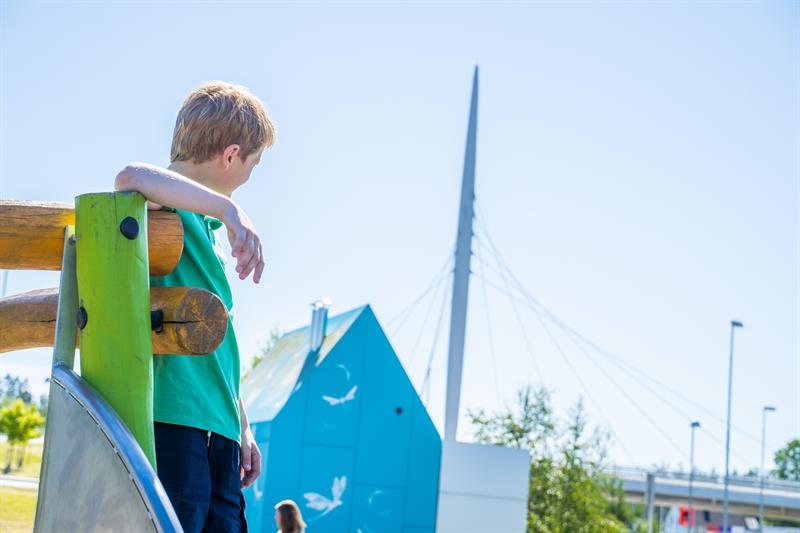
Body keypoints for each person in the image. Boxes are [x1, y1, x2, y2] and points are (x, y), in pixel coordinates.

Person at [114, 81, 276, 532]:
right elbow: (130, 177)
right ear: (230, 155)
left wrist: (242, 425)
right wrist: (228, 210)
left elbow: (218, 347)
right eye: (252, 164)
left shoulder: (204, 224)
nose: (248, 178)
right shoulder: (165, 206)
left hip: (218, 428)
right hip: (174, 420)